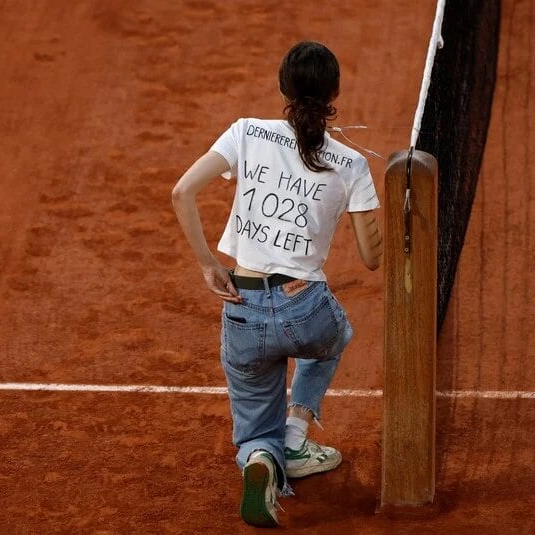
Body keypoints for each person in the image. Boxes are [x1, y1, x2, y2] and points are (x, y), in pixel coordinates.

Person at [171, 41, 382, 528]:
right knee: (336, 336)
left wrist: (208, 265)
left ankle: (263, 459)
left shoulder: (245, 133)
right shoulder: (351, 164)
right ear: (334, 93)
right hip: (305, 310)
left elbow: (182, 191)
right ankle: (295, 432)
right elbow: (372, 259)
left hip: (241, 308)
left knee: (251, 431)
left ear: (283, 88)